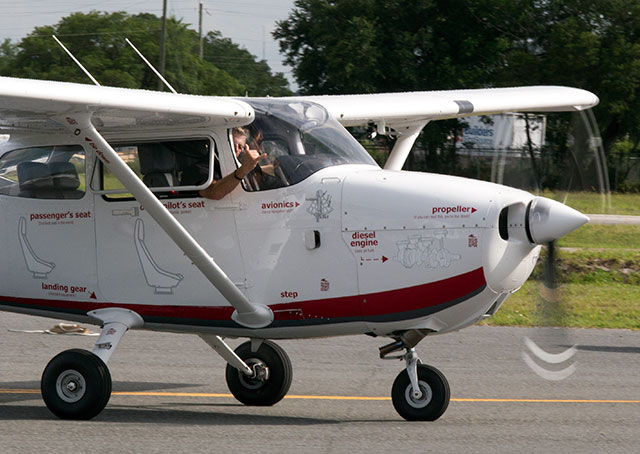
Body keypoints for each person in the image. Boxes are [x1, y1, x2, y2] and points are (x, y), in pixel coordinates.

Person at [199, 127, 266, 200]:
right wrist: (243, 170)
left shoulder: (241, 163)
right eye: (233, 144)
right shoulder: (203, 165)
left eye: (240, 146)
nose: (236, 149)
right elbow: (213, 193)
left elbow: (259, 182)